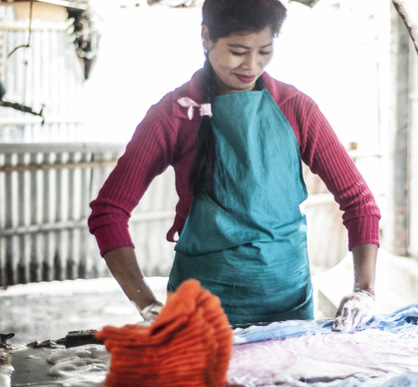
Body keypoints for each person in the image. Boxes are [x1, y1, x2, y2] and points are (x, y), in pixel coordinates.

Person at [88, 0, 381, 331]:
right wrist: (146, 303)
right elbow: (108, 212)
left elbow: (360, 203)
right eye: (238, 51)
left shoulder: (295, 108)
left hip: (290, 315)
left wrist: (364, 291)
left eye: (264, 51)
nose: (251, 65)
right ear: (206, 37)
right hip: (198, 318)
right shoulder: (173, 115)